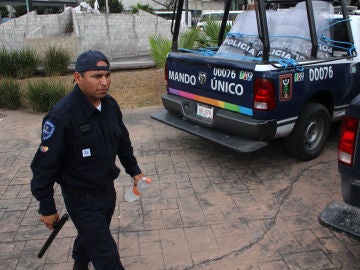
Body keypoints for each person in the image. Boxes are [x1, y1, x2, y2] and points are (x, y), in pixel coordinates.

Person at [30, 50, 145, 270]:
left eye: (107, 75)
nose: (104, 82)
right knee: (107, 257)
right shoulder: (62, 116)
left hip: (106, 191)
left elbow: (123, 141)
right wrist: (46, 207)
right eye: (96, 76)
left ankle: (79, 265)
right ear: (78, 78)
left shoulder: (110, 106)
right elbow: (43, 166)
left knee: (91, 236)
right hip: (80, 198)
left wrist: (135, 171)